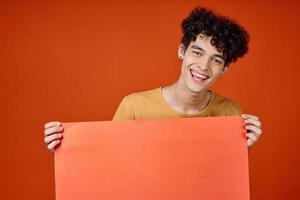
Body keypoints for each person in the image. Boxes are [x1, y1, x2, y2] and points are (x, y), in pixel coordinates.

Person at [44, 7, 262, 152]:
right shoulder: (134, 106)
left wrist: (244, 148)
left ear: (225, 69)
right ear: (181, 50)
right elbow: (110, 163)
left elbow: (222, 176)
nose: (203, 66)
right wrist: (66, 148)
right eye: (197, 52)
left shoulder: (229, 112)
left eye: (216, 60)